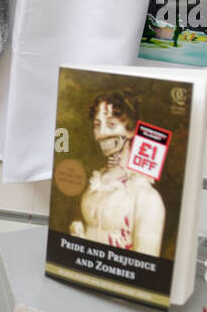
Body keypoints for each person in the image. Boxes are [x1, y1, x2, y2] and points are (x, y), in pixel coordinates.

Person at [70, 91, 166, 257]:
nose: (102, 133)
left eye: (111, 124)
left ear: (130, 131)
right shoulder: (98, 180)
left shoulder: (144, 194)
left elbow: (145, 262)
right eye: (97, 124)